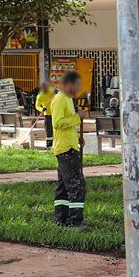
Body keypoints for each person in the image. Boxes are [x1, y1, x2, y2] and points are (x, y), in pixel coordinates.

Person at [51, 72, 87, 230]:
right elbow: (58, 123)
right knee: (77, 185)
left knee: (64, 186)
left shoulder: (67, 99)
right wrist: (78, 117)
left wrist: (78, 137)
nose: (79, 88)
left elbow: (67, 126)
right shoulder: (60, 99)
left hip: (69, 145)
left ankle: (60, 218)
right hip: (65, 149)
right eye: (77, 85)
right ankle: (75, 222)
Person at [34, 82, 56, 149]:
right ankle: (49, 146)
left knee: (57, 129)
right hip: (48, 114)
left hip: (56, 113)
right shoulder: (40, 96)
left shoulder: (52, 91)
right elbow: (37, 106)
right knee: (49, 130)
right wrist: (42, 109)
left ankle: (57, 145)